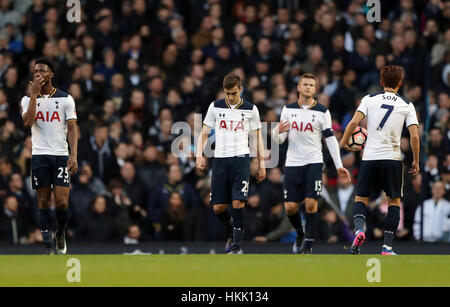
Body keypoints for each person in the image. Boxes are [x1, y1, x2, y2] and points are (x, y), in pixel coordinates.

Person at [340, 65, 420, 255]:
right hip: (392, 158)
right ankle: (387, 247)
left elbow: (354, 123)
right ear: (400, 84)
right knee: (393, 202)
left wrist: (343, 142)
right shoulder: (406, 104)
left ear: (381, 82)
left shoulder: (369, 99)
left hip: (370, 157)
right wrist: (416, 160)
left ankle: (359, 230)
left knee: (361, 198)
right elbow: (415, 137)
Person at [272, 73, 351, 254]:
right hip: (292, 163)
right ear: (298, 88)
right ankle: (300, 233)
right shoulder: (288, 110)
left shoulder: (323, 111)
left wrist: (339, 165)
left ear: (315, 90)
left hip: (314, 162)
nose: (308, 87)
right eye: (304, 84)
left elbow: (330, 139)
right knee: (290, 207)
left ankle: (308, 242)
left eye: (311, 85)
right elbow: (279, 139)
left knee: (310, 203)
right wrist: (276, 131)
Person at [196, 72, 266, 254]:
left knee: (238, 202)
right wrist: (199, 154)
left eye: (234, 93)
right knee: (218, 207)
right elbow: (204, 132)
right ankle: (230, 231)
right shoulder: (215, 107)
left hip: (241, 159)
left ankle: (236, 245)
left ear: (240, 90)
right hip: (219, 159)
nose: (230, 97)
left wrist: (261, 163)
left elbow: (257, 137)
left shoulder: (251, 109)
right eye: (227, 93)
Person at [21, 58, 78, 254]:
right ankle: (47, 245)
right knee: (43, 201)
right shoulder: (27, 100)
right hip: (39, 155)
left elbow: (71, 128)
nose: (38, 75)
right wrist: (34, 95)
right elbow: (28, 122)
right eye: (35, 72)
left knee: (62, 201)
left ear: (51, 75)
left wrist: (74, 155)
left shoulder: (65, 99)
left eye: (42, 71)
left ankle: (60, 232)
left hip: (61, 155)